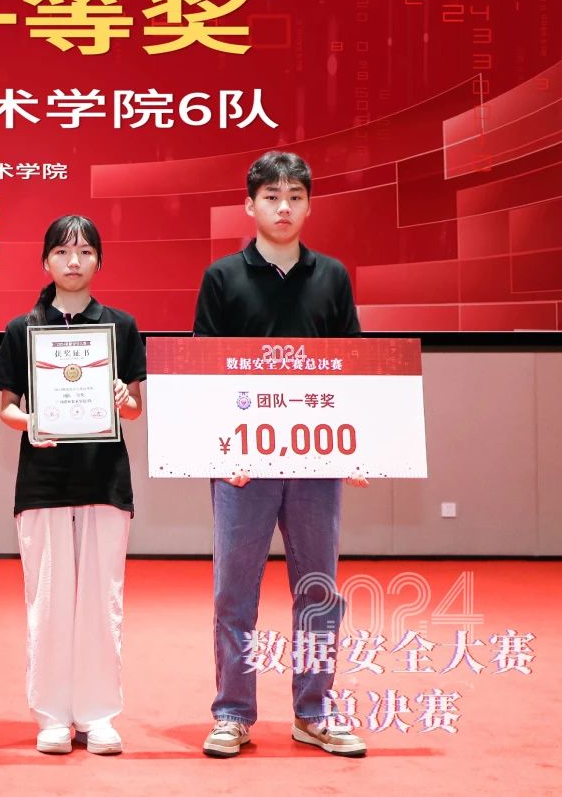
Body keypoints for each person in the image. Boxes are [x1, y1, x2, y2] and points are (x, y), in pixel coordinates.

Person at [193, 151, 368, 759]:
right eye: (271, 196)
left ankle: (314, 712)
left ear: (309, 205)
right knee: (234, 593)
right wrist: (222, 449)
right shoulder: (222, 277)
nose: (283, 207)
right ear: (250, 205)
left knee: (318, 590)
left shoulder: (333, 277)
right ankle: (232, 714)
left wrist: (355, 447)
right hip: (243, 463)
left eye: (295, 196)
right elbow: (205, 372)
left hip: (316, 462)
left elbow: (353, 366)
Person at [0, 215, 146, 755]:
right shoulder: (22, 329)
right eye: (61, 251)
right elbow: (7, 409)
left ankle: (99, 715)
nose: (73, 261)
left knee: (103, 601)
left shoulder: (121, 327)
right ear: (46, 261)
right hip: (44, 483)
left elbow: (135, 408)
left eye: (84, 251)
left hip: (106, 481)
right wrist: (31, 423)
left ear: (99, 260)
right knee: (50, 601)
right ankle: (53, 716)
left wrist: (124, 398)